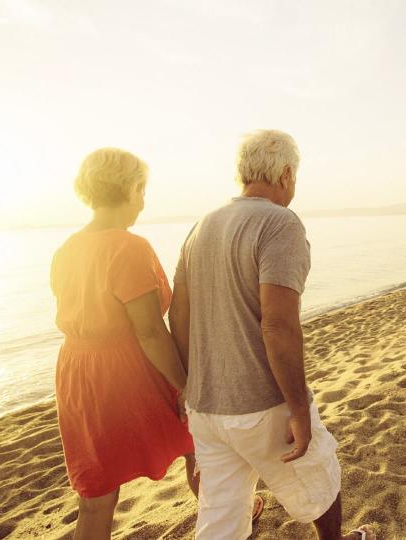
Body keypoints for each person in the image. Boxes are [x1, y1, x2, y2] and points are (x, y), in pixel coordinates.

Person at [170, 130, 375, 540]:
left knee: (221, 517)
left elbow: (178, 315)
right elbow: (277, 324)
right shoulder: (280, 223)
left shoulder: (202, 226)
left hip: (207, 407)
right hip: (260, 402)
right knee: (321, 477)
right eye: (294, 177)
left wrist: (187, 387)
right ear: (285, 174)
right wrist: (299, 408)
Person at [51, 148, 257, 539]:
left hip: (77, 371)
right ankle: (229, 520)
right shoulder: (129, 247)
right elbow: (148, 330)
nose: (143, 202)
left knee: (96, 494)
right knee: (199, 447)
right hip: (127, 370)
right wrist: (186, 384)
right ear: (131, 188)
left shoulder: (67, 249)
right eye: (142, 191)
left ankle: (231, 515)